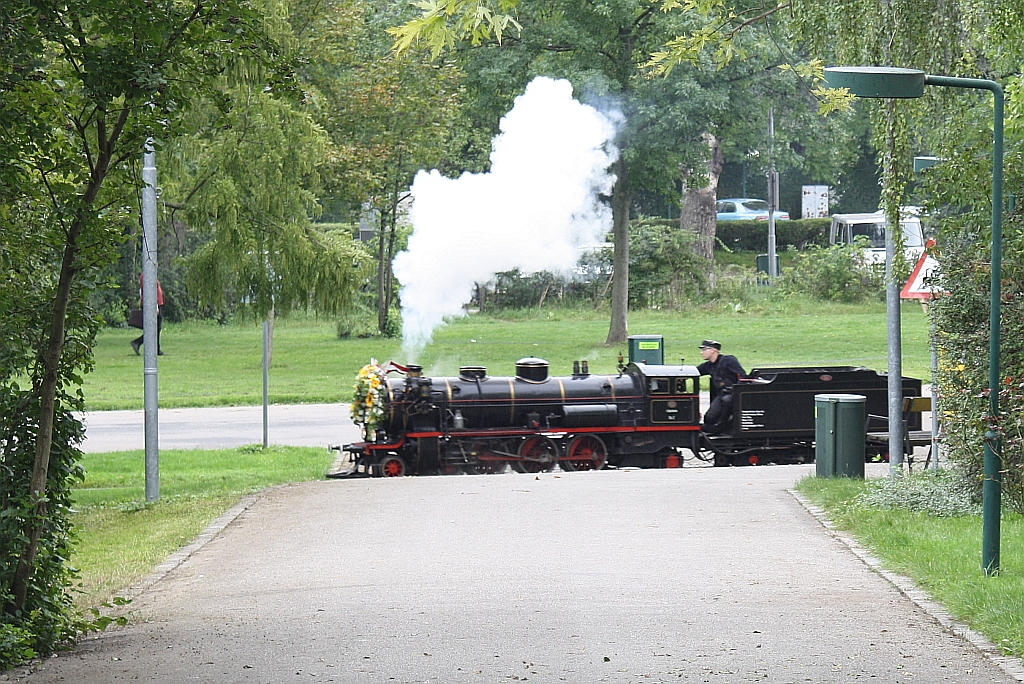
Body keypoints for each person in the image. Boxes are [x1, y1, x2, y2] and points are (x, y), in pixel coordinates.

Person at [696, 339, 745, 434]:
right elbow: (696, 371)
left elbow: (742, 376)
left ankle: (723, 426)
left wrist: (735, 389)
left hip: (733, 394)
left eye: (704, 350)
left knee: (727, 400)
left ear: (713, 350)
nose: (701, 353)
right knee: (709, 418)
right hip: (722, 394)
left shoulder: (728, 360)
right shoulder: (708, 366)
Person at [131, 275, 164, 356]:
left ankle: (156, 348)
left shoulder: (148, 273)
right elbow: (150, 290)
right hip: (151, 304)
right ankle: (137, 342)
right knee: (154, 328)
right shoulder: (147, 274)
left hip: (151, 303)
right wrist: (155, 305)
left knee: (155, 328)